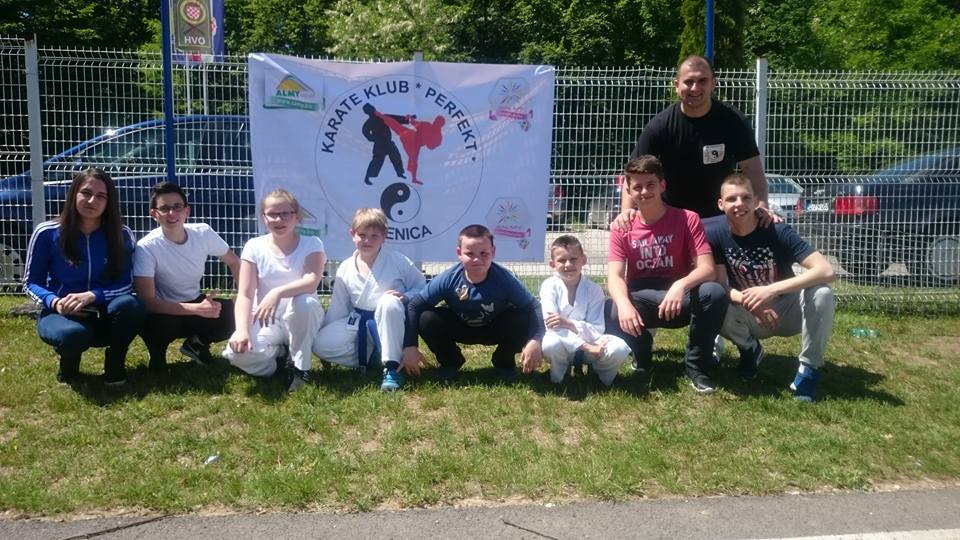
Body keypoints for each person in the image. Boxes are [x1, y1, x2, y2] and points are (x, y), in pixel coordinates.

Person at [605, 156, 728, 394]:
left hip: (679, 297)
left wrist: (680, 286)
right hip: (643, 296)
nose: (644, 191)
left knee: (714, 293)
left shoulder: (687, 218)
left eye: (650, 184)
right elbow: (615, 276)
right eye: (637, 187)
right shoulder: (622, 227)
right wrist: (623, 304)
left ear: (662, 185)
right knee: (611, 308)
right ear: (628, 191)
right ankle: (642, 355)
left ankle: (697, 365)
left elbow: (707, 268)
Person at [708, 173, 836, 402]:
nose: (739, 204)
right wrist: (750, 301)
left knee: (822, 293)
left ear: (756, 201)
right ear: (720, 204)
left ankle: (808, 371)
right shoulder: (716, 234)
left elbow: (825, 270)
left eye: (746, 197)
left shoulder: (777, 229)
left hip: (788, 308)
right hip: (750, 313)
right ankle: (750, 350)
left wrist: (771, 290)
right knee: (712, 298)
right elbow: (721, 284)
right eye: (731, 199)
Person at [24, 168, 145, 386]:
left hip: (104, 311)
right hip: (62, 312)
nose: (92, 201)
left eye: (101, 196)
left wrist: (93, 295)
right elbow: (31, 282)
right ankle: (69, 367)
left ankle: (115, 364)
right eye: (86, 193)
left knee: (132, 306)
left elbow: (126, 283)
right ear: (74, 194)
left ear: (109, 202)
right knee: (73, 335)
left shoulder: (122, 234)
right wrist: (56, 303)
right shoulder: (46, 232)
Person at [618, 55, 770, 223]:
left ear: (713, 83)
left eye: (702, 81)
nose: (695, 88)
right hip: (673, 220)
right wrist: (627, 211)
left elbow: (752, 169)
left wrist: (761, 206)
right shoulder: (660, 126)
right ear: (676, 86)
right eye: (688, 82)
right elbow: (633, 173)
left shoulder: (733, 121)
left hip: (720, 219)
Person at [400, 224, 543, 383]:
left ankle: (503, 361)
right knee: (426, 318)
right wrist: (410, 346)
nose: (477, 259)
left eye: (484, 253)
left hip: (495, 328)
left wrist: (535, 339)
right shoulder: (448, 278)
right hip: (461, 327)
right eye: (469, 253)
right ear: (459, 253)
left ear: (493, 252)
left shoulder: (505, 279)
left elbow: (534, 306)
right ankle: (450, 361)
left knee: (522, 317)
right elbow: (414, 306)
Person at [223, 189, 326, 393]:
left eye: (285, 213)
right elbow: (245, 294)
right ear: (263, 218)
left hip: (301, 317)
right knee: (237, 354)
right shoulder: (254, 246)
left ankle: (301, 368)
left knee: (304, 302)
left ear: (296, 216)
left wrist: (276, 292)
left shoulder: (312, 243)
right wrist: (242, 330)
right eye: (272, 214)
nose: (279, 219)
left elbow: (311, 282)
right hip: (265, 317)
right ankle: (279, 360)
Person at [312, 208, 426, 391]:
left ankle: (392, 367)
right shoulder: (346, 267)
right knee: (319, 345)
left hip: (392, 322)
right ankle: (373, 358)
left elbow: (421, 286)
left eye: (374, 236)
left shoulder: (397, 260)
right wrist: (327, 339)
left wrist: (406, 296)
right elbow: (339, 307)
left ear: (384, 236)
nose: (367, 241)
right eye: (362, 235)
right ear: (352, 234)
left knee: (388, 302)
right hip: (359, 322)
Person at [133, 181, 241, 371]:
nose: (171, 213)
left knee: (239, 312)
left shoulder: (203, 233)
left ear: (187, 211)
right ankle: (157, 355)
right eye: (164, 208)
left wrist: (242, 296)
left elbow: (235, 262)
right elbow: (147, 302)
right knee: (160, 324)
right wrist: (196, 309)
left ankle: (196, 344)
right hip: (163, 311)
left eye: (177, 207)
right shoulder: (146, 247)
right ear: (154, 214)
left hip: (195, 301)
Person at [540, 235, 631, 387]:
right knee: (550, 344)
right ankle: (560, 375)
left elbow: (597, 328)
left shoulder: (594, 289)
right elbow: (553, 326)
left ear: (583, 260)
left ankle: (599, 375)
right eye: (561, 260)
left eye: (573, 259)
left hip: (593, 345)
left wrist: (568, 323)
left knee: (619, 348)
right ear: (552, 264)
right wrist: (586, 346)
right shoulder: (548, 286)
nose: (568, 264)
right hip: (564, 346)